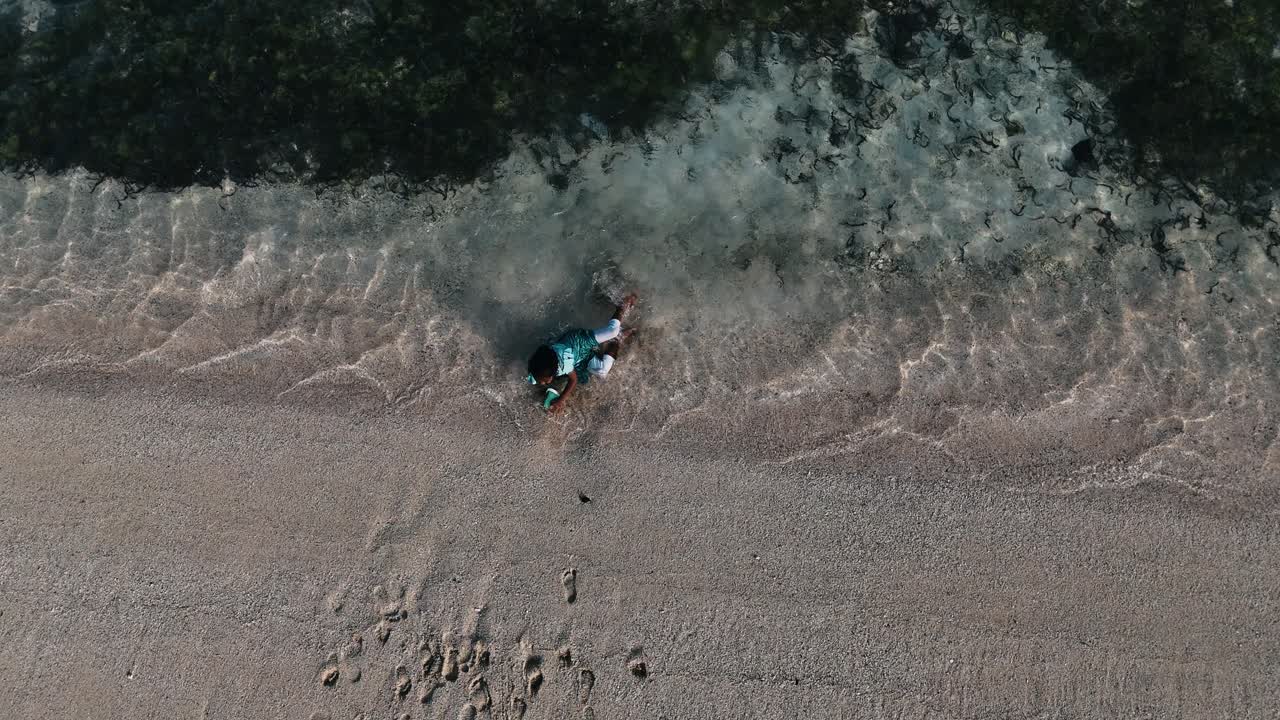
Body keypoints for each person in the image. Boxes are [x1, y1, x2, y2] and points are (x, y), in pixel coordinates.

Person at [526, 294, 637, 412]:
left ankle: (621, 307)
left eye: (543, 380)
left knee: (612, 331)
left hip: (580, 340)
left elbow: (573, 380)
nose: (542, 383)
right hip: (578, 358)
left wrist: (561, 400)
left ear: (555, 370)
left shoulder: (565, 366)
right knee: (602, 371)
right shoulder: (538, 364)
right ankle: (617, 340)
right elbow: (539, 369)